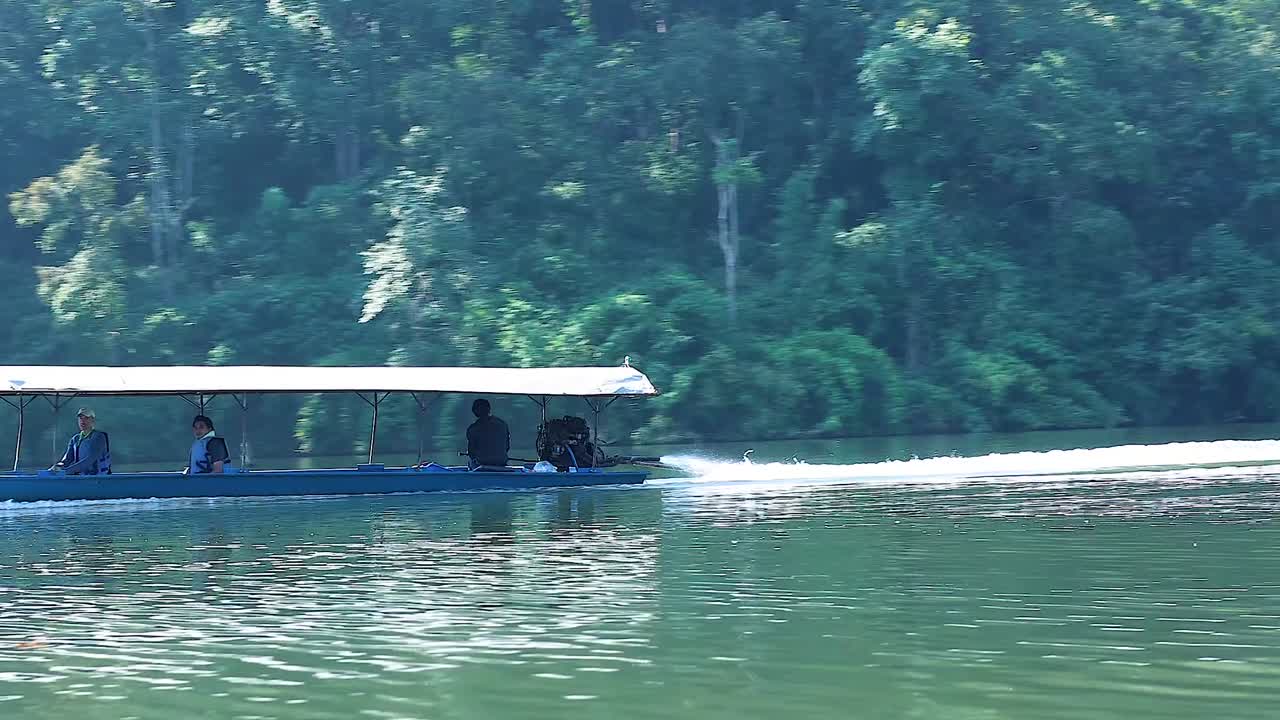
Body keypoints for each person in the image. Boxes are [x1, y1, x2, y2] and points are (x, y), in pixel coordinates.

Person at [51, 407, 111, 475]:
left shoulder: (99, 437)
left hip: (98, 479)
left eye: (86, 418)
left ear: (93, 420)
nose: (83, 421)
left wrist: (66, 471)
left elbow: (89, 460)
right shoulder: (75, 439)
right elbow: (67, 460)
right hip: (82, 478)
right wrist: (57, 467)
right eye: (80, 418)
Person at [466, 398, 510, 469]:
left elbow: (471, 453)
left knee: (470, 464)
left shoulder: (473, 428)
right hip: (501, 463)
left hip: (481, 464)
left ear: (474, 411)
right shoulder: (503, 424)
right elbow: (507, 447)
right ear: (489, 409)